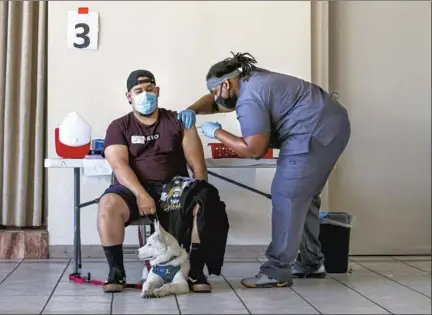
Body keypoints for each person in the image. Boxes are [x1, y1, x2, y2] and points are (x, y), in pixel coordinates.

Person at [177, 52, 351, 288]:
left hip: (313, 132)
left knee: (286, 194)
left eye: (215, 92)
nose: (215, 98)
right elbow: (218, 102)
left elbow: (253, 150)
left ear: (226, 84)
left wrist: (217, 133)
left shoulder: (250, 98)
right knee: (304, 197)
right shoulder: (249, 80)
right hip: (330, 124)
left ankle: (277, 270)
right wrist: (192, 110)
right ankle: (311, 262)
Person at [98, 70, 228, 294]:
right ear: (129, 96)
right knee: (108, 204)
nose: (145, 95)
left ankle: (195, 272)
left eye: (149, 89)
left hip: (174, 188)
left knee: (203, 205)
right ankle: (116, 273)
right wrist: (141, 195)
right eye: (138, 91)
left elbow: (198, 167)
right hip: (135, 189)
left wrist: (200, 193)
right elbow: (119, 166)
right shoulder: (119, 127)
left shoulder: (179, 122)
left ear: (157, 91)